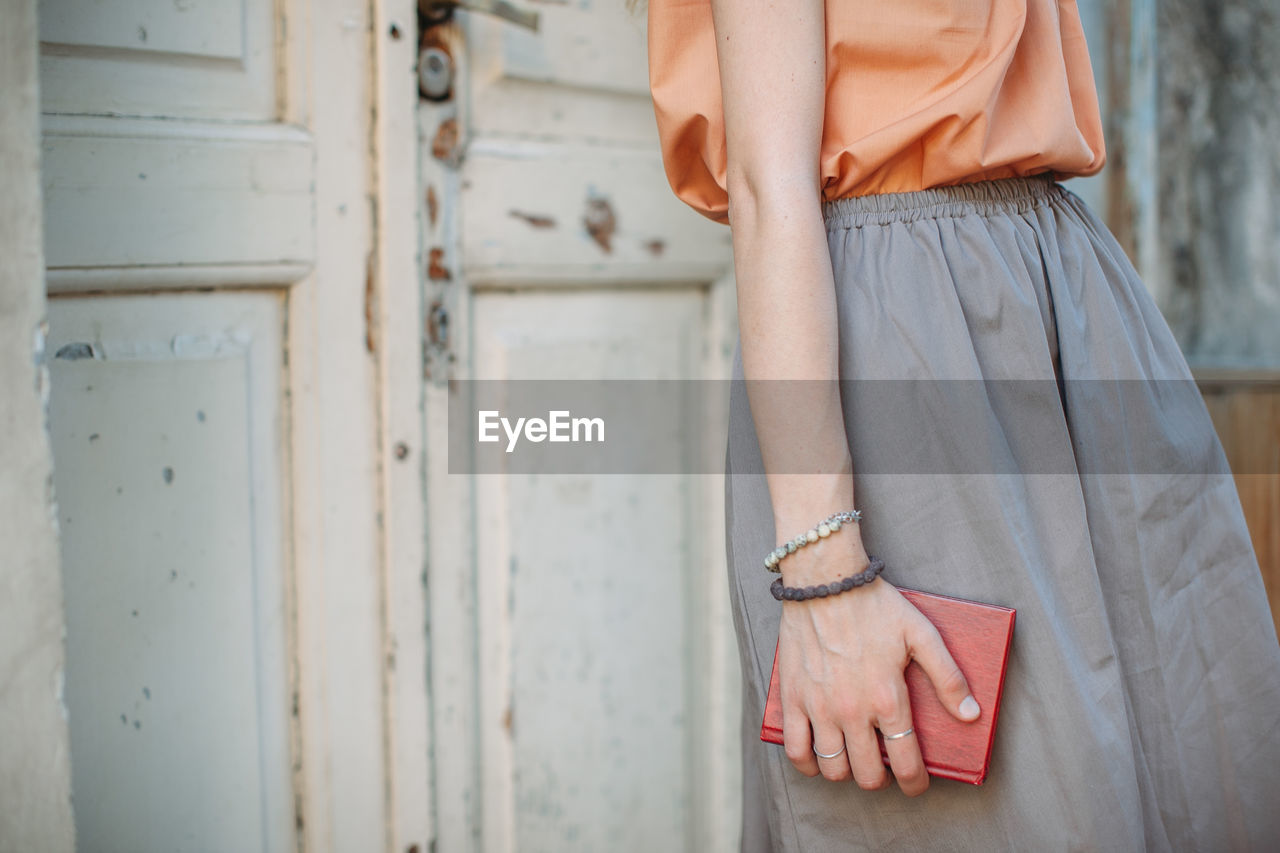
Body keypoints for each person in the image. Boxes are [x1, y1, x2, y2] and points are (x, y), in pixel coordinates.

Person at [644, 0, 1280, 850]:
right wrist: (824, 573)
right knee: (1005, 798)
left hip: (1061, 301)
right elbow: (769, 183)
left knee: (1184, 758)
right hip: (911, 336)